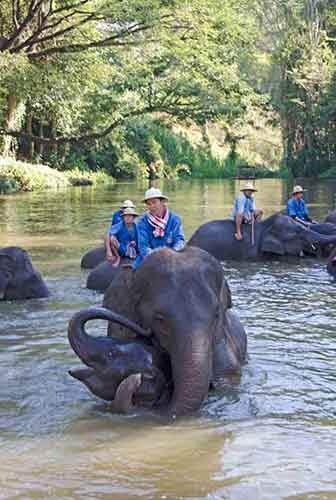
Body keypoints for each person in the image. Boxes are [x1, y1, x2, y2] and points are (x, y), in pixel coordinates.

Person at [133, 187, 185, 268]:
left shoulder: (175, 219)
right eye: (148, 204)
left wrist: (172, 254)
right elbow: (143, 246)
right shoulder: (142, 222)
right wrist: (157, 258)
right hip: (150, 258)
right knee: (133, 272)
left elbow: (179, 240)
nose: (152, 206)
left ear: (162, 202)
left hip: (172, 256)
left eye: (154, 202)